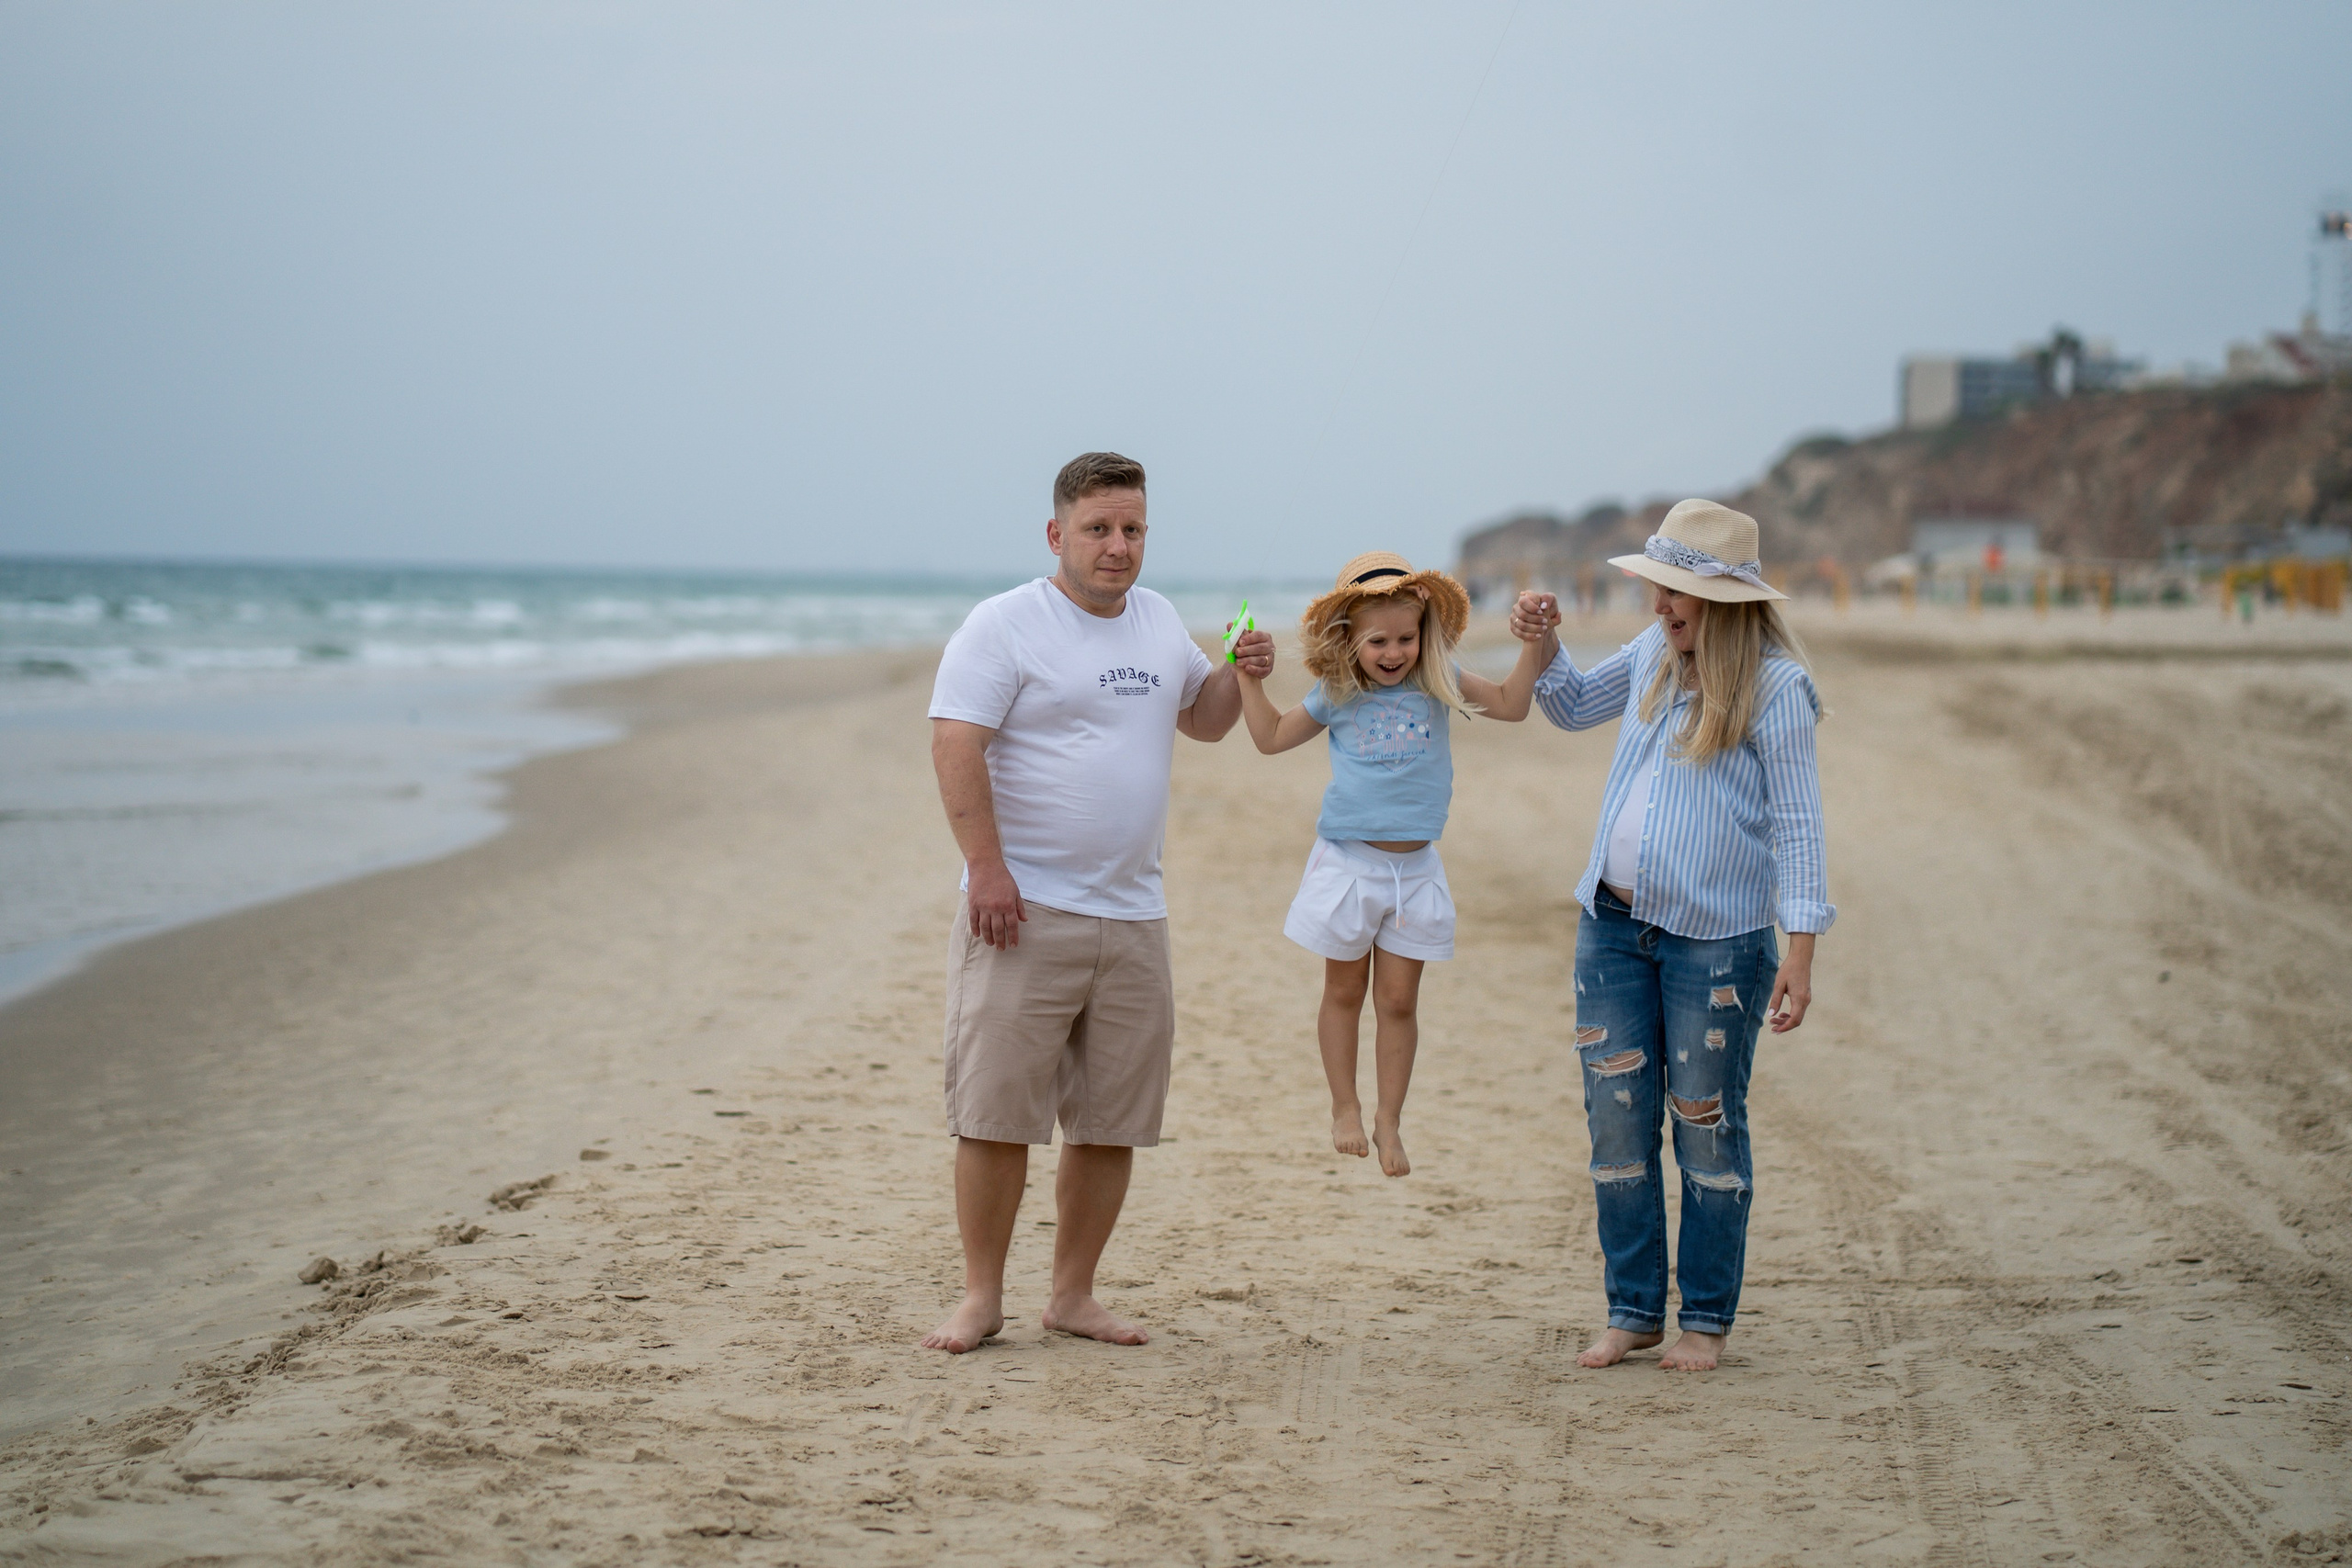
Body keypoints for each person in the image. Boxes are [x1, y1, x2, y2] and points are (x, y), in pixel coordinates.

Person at [921, 451, 1274, 1354]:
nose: (1117, 547)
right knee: (997, 1116)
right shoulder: (1004, 624)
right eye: (1099, 530)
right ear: (1057, 534)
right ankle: (980, 1298)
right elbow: (955, 741)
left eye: (1132, 530)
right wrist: (986, 868)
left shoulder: (1157, 622)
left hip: (1134, 913)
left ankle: (1072, 1296)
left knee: (1111, 1119)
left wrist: (1240, 667)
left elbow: (1204, 719)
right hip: (1023, 909)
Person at [1509, 500, 1831, 1372]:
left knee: (1706, 1128)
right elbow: (1571, 706)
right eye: (1658, 588)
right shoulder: (1655, 652)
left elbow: (1800, 828)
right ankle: (1635, 1309)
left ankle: (1707, 1320)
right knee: (1616, 1127)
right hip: (1611, 928)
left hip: (1719, 945)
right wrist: (1541, 642)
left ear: (1725, 601)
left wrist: (1799, 950)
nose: (1659, 606)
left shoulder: (1777, 688)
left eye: (1675, 592)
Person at [1236, 552, 1551, 1178]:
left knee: (1400, 1000)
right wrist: (1245, 675)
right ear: (1348, 637)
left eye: (1406, 637)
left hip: (1416, 872)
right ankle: (1345, 1106)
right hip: (1350, 865)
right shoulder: (1338, 691)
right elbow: (1270, 736)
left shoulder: (1440, 680)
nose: (1393, 651)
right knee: (1345, 990)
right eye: (1378, 640)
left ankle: (1389, 1118)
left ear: (1425, 633)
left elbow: (1515, 703)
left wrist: (1537, 641)